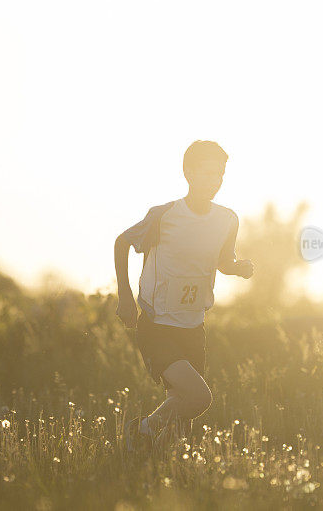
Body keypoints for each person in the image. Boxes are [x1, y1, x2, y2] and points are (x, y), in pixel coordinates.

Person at [114, 140, 254, 454]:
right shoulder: (163, 216)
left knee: (182, 421)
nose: (213, 182)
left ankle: (147, 456)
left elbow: (224, 260)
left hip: (193, 327)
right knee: (199, 398)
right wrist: (124, 296)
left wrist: (239, 268)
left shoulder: (227, 220)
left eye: (219, 175)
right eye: (206, 174)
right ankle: (141, 429)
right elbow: (122, 242)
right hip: (157, 325)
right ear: (188, 172)